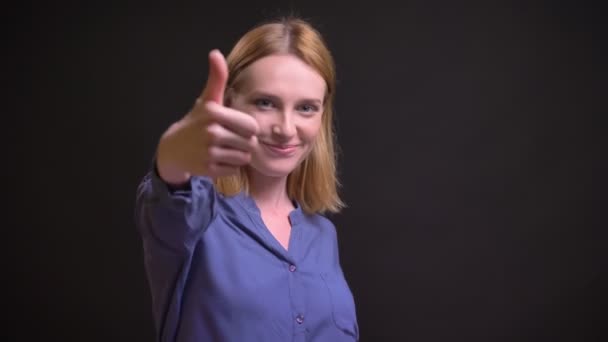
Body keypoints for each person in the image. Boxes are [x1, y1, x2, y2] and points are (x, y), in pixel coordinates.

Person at [134, 16, 359, 341]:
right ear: (229, 103)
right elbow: (167, 196)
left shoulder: (322, 235)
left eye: (306, 108)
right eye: (265, 103)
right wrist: (173, 152)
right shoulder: (195, 217)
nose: (286, 128)